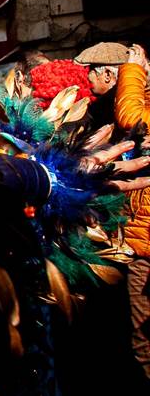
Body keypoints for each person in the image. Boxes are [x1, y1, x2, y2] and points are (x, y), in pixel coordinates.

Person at [116, 43, 150, 382]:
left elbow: (131, 116)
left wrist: (133, 72)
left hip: (144, 242)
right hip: (141, 242)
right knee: (142, 333)